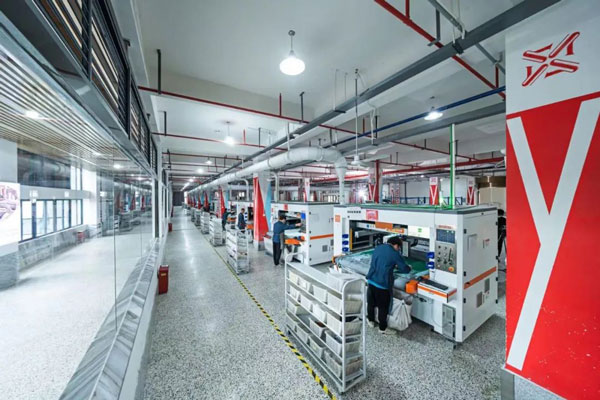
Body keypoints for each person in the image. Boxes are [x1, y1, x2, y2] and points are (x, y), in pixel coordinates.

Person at [366, 236, 410, 335]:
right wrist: (409, 268)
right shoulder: (394, 253)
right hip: (382, 284)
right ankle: (382, 328)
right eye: (399, 248)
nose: (398, 250)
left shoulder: (378, 248)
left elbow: (380, 261)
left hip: (371, 280)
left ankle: (371, 321)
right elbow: (404, 269)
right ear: (396, 245)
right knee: (383, 307)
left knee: (371, 303)